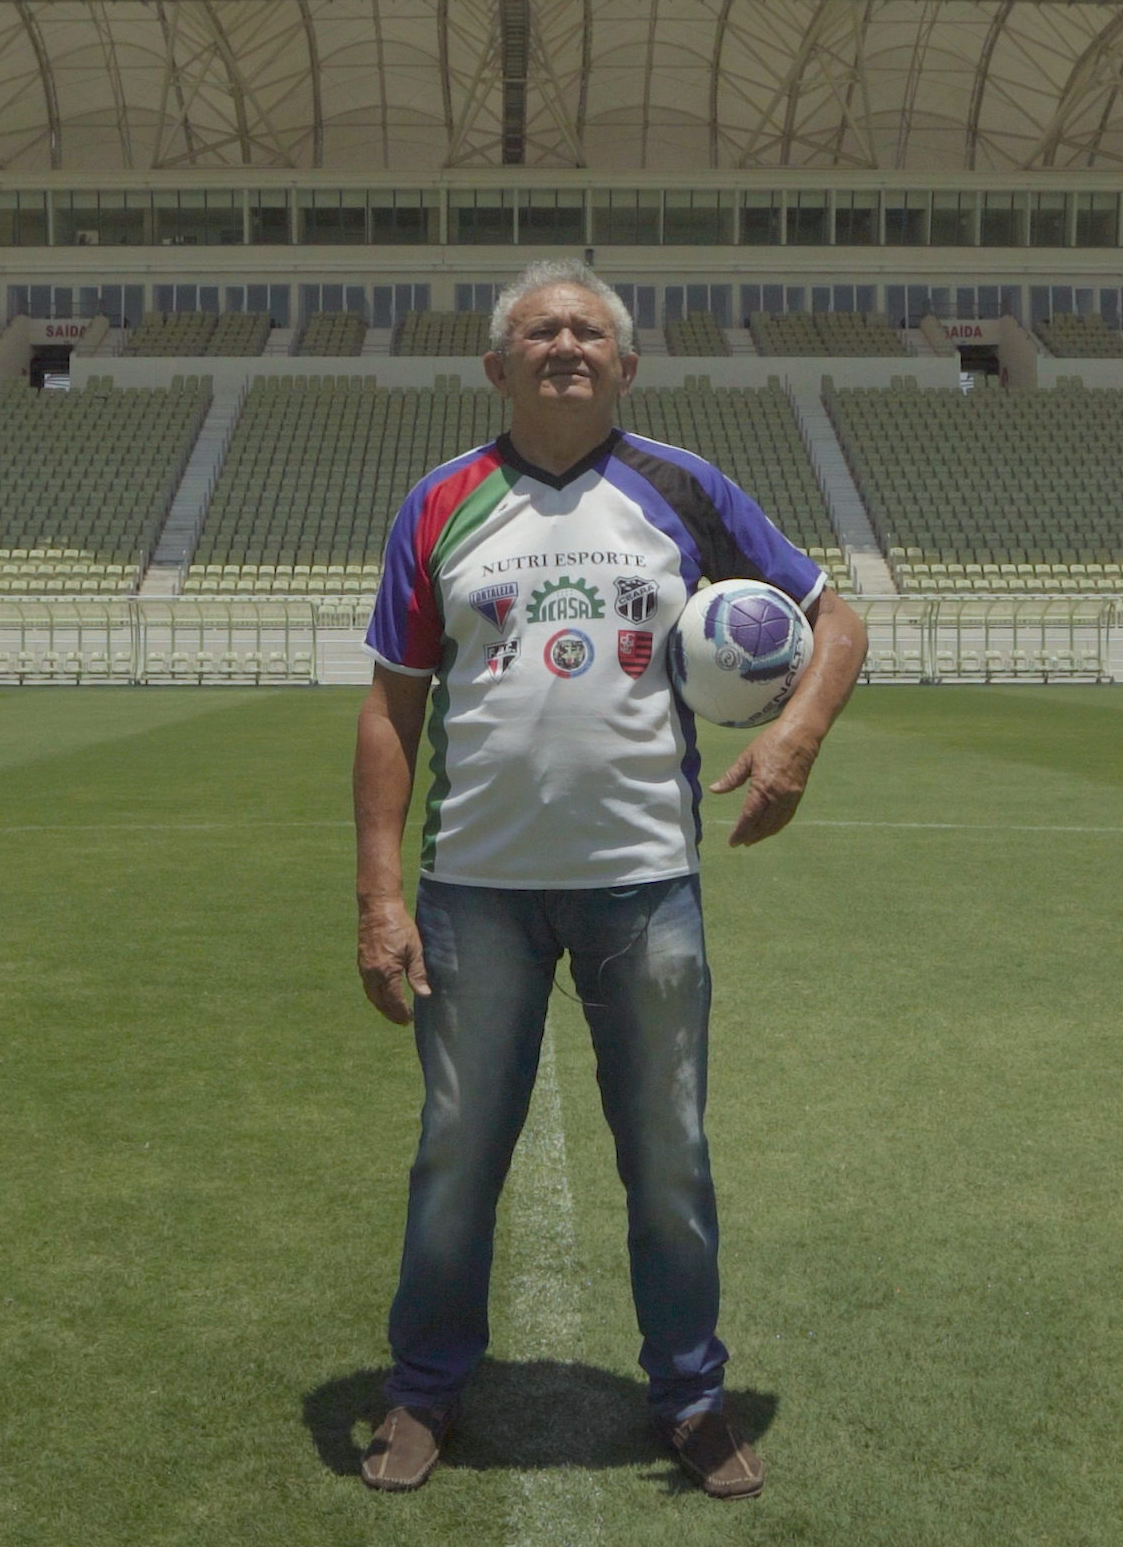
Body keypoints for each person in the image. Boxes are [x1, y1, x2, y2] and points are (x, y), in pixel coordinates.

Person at [351, 258, 868, 1500]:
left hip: (646, 885)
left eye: (590, 331)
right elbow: (390, 709)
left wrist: (792, 739)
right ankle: (423, 1394)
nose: (566, 346)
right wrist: (380, 898)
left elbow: (835, 622)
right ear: (497, 365)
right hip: (474, 890)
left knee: (669, 1156)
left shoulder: (683, 489)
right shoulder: (440, 504)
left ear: (626, 365)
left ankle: (691, 1394)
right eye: (540, 331)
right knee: (457, 1155)